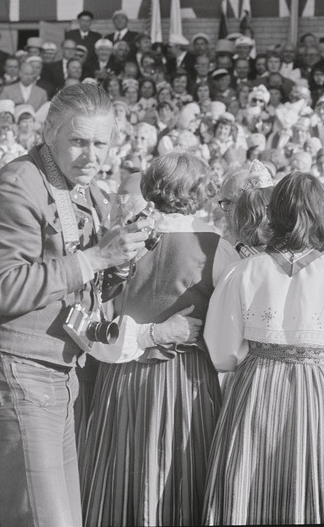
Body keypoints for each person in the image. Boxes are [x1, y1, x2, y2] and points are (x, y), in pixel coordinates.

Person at [0, 84, 150, 526]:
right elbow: (4, 289)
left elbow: (77, 286)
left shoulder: (79, 189)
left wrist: (118, 265)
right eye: (79, 141)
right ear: (49, 132)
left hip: (56, 374)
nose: (91, 155)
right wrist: (96, 257)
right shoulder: (17, 185)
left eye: (100, 143)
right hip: (18, 372)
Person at [202, 172, 324, 524]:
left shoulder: (244, 272)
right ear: (323, 213)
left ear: (275, 213)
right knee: (308, 487)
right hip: (314, 390)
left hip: (254, 384)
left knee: (249, 485)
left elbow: (222, 350)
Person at [80, 152, 238, 526]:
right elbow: (229, 333)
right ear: (200, 192)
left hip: (122, 377)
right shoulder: (217, 248)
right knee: (178, 476)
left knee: (119, 480)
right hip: (187, 380)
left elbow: (96, 318)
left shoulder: (120, 241)